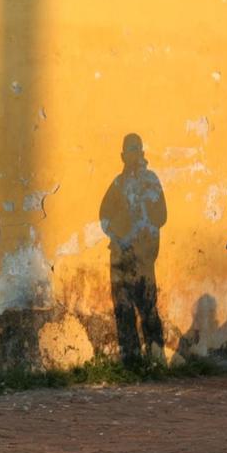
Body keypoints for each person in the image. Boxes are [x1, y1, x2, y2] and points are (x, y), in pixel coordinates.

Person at [99, 133, 167, 367]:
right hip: (121, 257)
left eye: (136, 149)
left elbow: (162, 216)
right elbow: (104, 215)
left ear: (142, 153)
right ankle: (131, 362)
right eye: (129, 150)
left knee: (148, 307)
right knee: (124, 308)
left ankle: (156, 359)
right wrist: (119, 239)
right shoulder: (118, 184)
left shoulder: (151, 181)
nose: (133, 154)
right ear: (122, 155)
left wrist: (145, 240)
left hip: (144, 257)